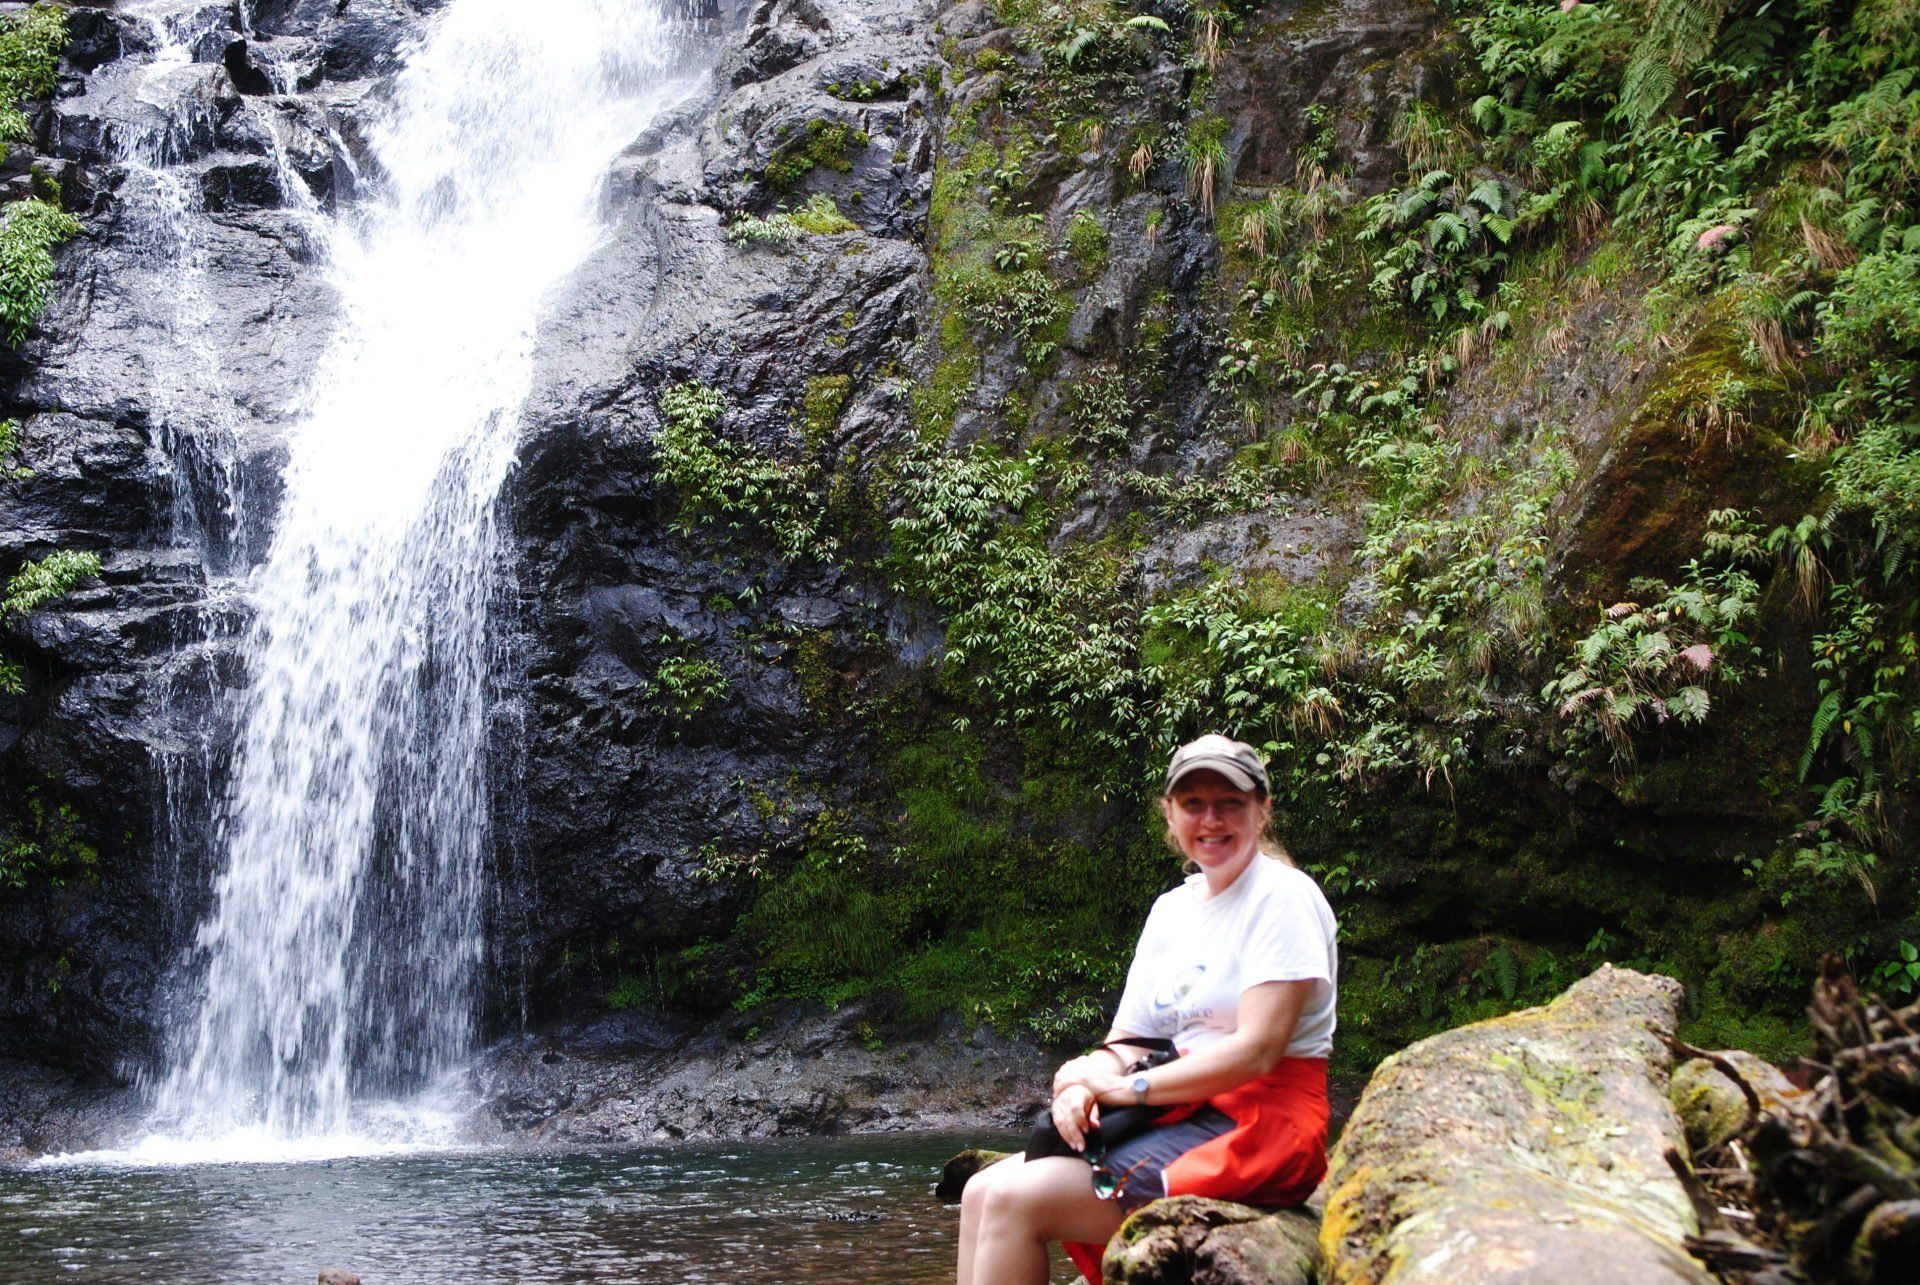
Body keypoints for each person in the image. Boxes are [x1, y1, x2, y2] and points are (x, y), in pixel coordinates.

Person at [956, 734, 1338, 1284]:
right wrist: (1089, 1081)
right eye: (1193, 804)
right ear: (1170, 813)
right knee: (980, 1189)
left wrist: (1124, 1090)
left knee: (1014, 1199)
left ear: (1262, 809)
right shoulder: (1172, 910)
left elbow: (1258, 1051)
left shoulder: (1283, 897)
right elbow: (1128, 1041)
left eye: (1230, 802)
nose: (1212, 819)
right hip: (1179, 1112)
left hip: (1259, 1126)